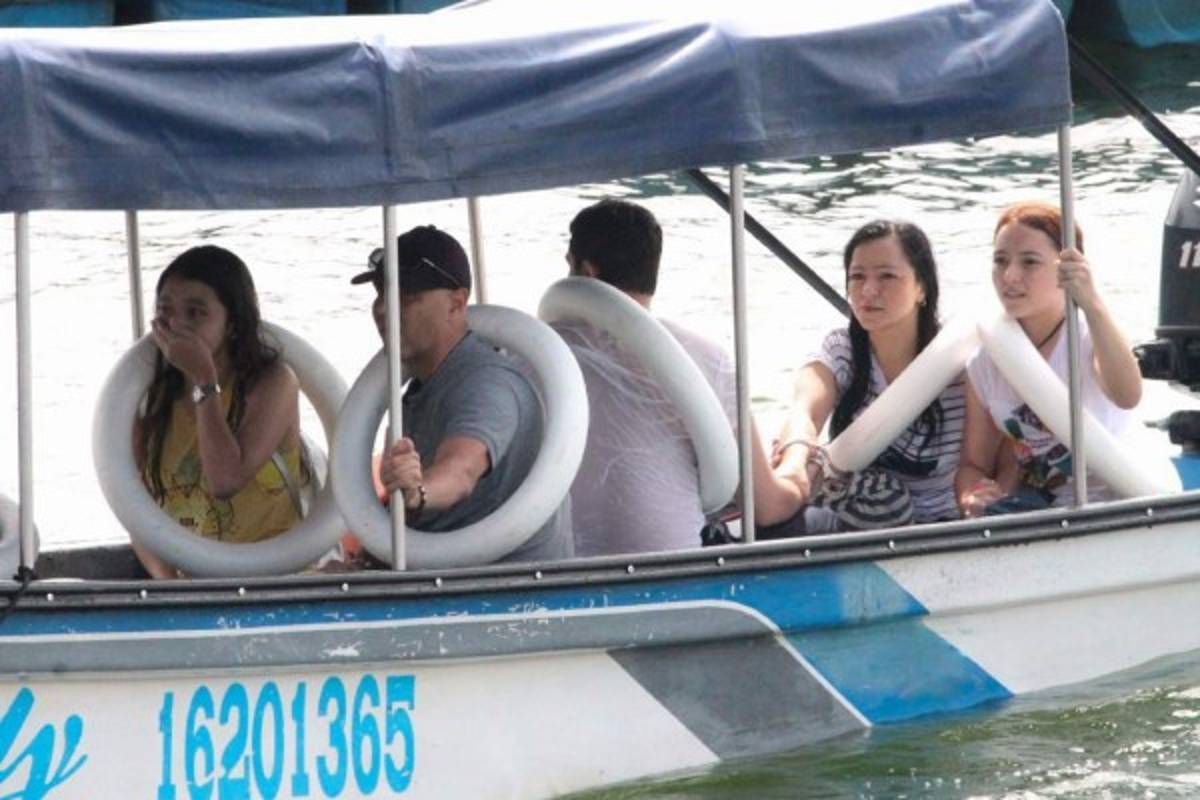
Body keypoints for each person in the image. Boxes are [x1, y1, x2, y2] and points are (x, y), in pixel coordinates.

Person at [552, 198, 802, 556]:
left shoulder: (529, 356)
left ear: (586, 272)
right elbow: (767, 506)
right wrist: (799, 465)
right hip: (673, 573)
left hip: (556, 578)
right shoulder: (704, 358)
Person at [351, 225, 572, 564]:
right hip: (445, 582)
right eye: (381, 294)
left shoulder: (487, 383)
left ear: (456, 303)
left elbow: (460, 471)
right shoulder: (426, 384)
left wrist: (418, 491)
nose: (383, 309)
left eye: (407, 296)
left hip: (504, 594)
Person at [774, 220, 964, 530]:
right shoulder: (843, 349)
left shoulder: (957, 358)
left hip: (944, 525)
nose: (868, 291)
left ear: (922, 287)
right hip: (863, 514)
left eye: (887, 276)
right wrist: (794, 461)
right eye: (857, 277)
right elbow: (805, 408)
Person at [956, 201, 1142, 515]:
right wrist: (973, 494)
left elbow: (1127, 396)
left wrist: (1092, 302)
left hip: (1112, 504)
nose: (1010, 276)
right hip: (1035, 506)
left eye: (1029, 262)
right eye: (1000, 261)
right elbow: (974, 464)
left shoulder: (1086, 336)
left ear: (1065, 269)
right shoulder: (985, 362)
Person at [134, 245, 305, 578]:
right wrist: (169, 586)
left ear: (231, 324)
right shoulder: (147, 402)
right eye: (165, 310)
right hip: (193, 588)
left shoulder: (273, 383)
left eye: (196, 313)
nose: (176, 324)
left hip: (278, 578)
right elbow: (134, 507)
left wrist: (203, 379)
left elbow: (225, 479)